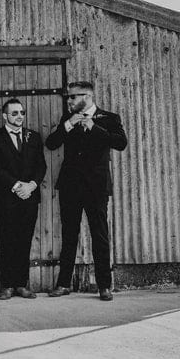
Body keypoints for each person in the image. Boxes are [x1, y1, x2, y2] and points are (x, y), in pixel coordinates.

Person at [45, 81, 127, 301]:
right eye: (68, 98)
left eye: (72, 97)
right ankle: (63, 284)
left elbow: (121, 143)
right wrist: (68, 125)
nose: (69, 101)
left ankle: (104, 286)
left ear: (87, 97)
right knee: (69, 234)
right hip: (70, 186)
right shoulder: (67, 119)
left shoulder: (110, 118)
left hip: (96, 187)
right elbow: (51, 143)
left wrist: (94, 128)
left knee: (99, 234)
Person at [0, 99, 46, 300]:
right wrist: (17, 185)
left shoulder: (34, 137)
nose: (19, 116)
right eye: (15, 113)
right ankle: (7, 285)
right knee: (7, 239)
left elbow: (41, 166)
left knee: (25, 240)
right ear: (5, 116)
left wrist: (31, 186)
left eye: (22, 112)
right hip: (6, 197)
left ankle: (21, 284)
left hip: (29, 197)